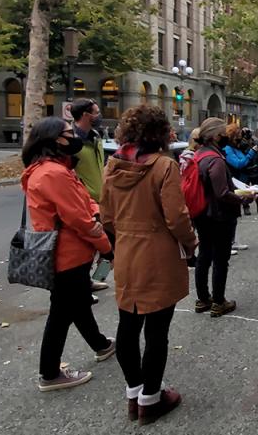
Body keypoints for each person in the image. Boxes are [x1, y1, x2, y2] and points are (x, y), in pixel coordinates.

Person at [101, 106, 198, 424]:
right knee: (158, 331)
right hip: (158, 254)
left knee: (127, 327)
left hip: (127, 253)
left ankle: (134, 393)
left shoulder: (112, 167)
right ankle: (151, 399)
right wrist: (191, 243)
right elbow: (177, 217)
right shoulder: (164, 166)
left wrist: (122, 239)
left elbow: (107, 217)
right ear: (159, 133)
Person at [20, 117, 116, 392]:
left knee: (77, 303)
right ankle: (49, 373)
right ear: (52, 139)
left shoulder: (52, 169)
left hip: (68, 253)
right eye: (67, 133)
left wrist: (94, 210)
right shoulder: (53, 173)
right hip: (67, 254)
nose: (73, 137)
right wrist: (106, 248)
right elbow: (79, 219)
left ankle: (101, 345)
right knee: (62, 312)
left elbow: (84, 201)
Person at [192, 118, 253, 316]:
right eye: (223, 132)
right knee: (220, 259)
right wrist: (243, 199)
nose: (226, 135)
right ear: (216, 136)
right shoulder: (216, 159)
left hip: (201, 213)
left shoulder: (198, 155)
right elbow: (222, 192)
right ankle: (219, 301)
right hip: (219, 216)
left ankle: (203, 299)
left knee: (204, 256)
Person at [68, 98, 111, 295]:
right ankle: (84, 286)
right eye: (95, 112)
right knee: (87, 246)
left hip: (102, 199)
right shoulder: (71, 142)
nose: (98, 116)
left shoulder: (95, 137)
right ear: (85, 115)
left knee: (107, 243)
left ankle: (95, 279)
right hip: (84, 202)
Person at [240, 128, 258, 214]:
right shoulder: (240, 144)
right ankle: (246, 207)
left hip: (255, 169)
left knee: (257, 188)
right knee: (245, 189)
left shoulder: (255, 142)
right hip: (245, 169)